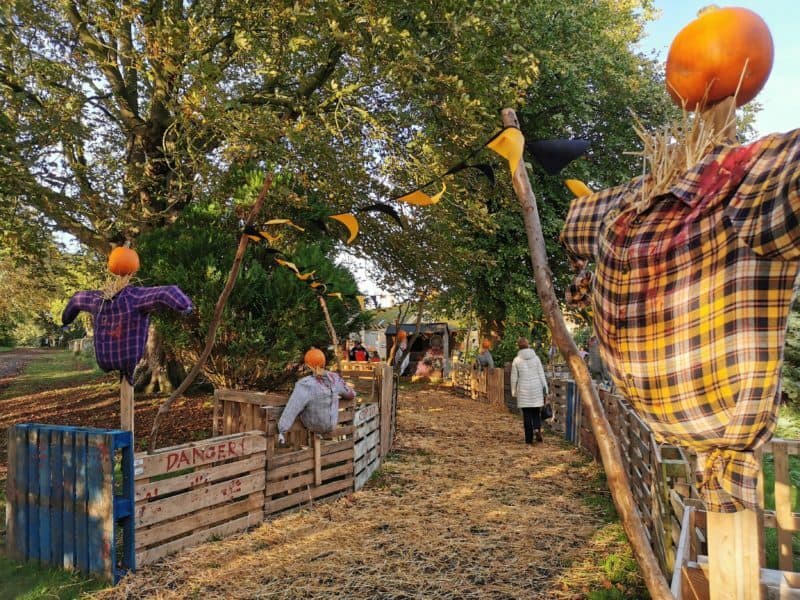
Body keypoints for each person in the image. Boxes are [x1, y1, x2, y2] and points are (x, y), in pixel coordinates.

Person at [278, 348, 355, 443]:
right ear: (324, 362)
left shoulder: (305, 384)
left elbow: (292, 408)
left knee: (302, 403)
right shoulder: (334, 378)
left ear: (308, 365)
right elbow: (351, 395)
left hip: (313, 426)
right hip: (331, 425)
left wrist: (282, 430)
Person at [510, 337, 548, 444]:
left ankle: (529, 439)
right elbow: (541, 374)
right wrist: (545, 389)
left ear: (519, 347)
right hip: (536, 388)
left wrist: (513, 391)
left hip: (523, 389)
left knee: (526, 415)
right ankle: (537, 428)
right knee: (536, 412)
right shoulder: (536, 358)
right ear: (528, 345)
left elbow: (514, 378)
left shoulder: (516, 360)